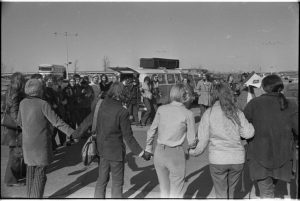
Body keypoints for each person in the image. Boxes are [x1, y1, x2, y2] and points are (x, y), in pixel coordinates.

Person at [72, 81, 149, 198]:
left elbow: (87, 121)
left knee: (101, 180)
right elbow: (128, 137)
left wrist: (75, 135)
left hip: (101, 150)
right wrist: (142, 153)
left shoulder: (99, 105)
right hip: (116, 152)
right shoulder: (122, 111)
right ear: (122, 94)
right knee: (117, 183)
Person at [189, 83, 254, 198]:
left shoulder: (208, 113)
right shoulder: (237, 112)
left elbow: (202, 141)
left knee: (221, 194)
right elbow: (248, 133)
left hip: (218, 159)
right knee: (231, 191)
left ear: (213, 95)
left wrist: (192, 152)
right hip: (237, 159)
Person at [17, 79, 75, 198]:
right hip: (40, 144)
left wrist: (29, 129)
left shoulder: (23, 102)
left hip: (27, 143)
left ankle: (29, 197)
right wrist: (73, 133)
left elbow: (19, 122)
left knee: (30, 173)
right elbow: (57, 122)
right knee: (40, 174)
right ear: (39, 90)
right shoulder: (43, 104)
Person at [243, 74, 298, 198]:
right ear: (280, 87)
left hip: (259, 157)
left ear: (263, 88)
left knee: (267, 192)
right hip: (283, 157)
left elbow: (243, 128)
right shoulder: (291, 104)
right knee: (270, 190)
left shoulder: (254, 103)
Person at [145, 83, 197, 198]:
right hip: (175, 154)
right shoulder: (188, 114)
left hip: (159, 152)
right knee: (176, 193)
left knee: (164, 190)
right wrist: (194, 146)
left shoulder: (161, 109)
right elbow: (192, 141)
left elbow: (151, 131)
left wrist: (148, 148)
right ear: (185, 96)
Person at [2, 72, 27, 187]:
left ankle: (15, 176)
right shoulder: (16, 94)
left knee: (14, 154)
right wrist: (22, 125)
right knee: (16, 155)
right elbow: (14, 114)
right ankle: (11, 180)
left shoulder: (9, 91)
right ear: (19, 82)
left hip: (10, 129)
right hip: (15, 130)